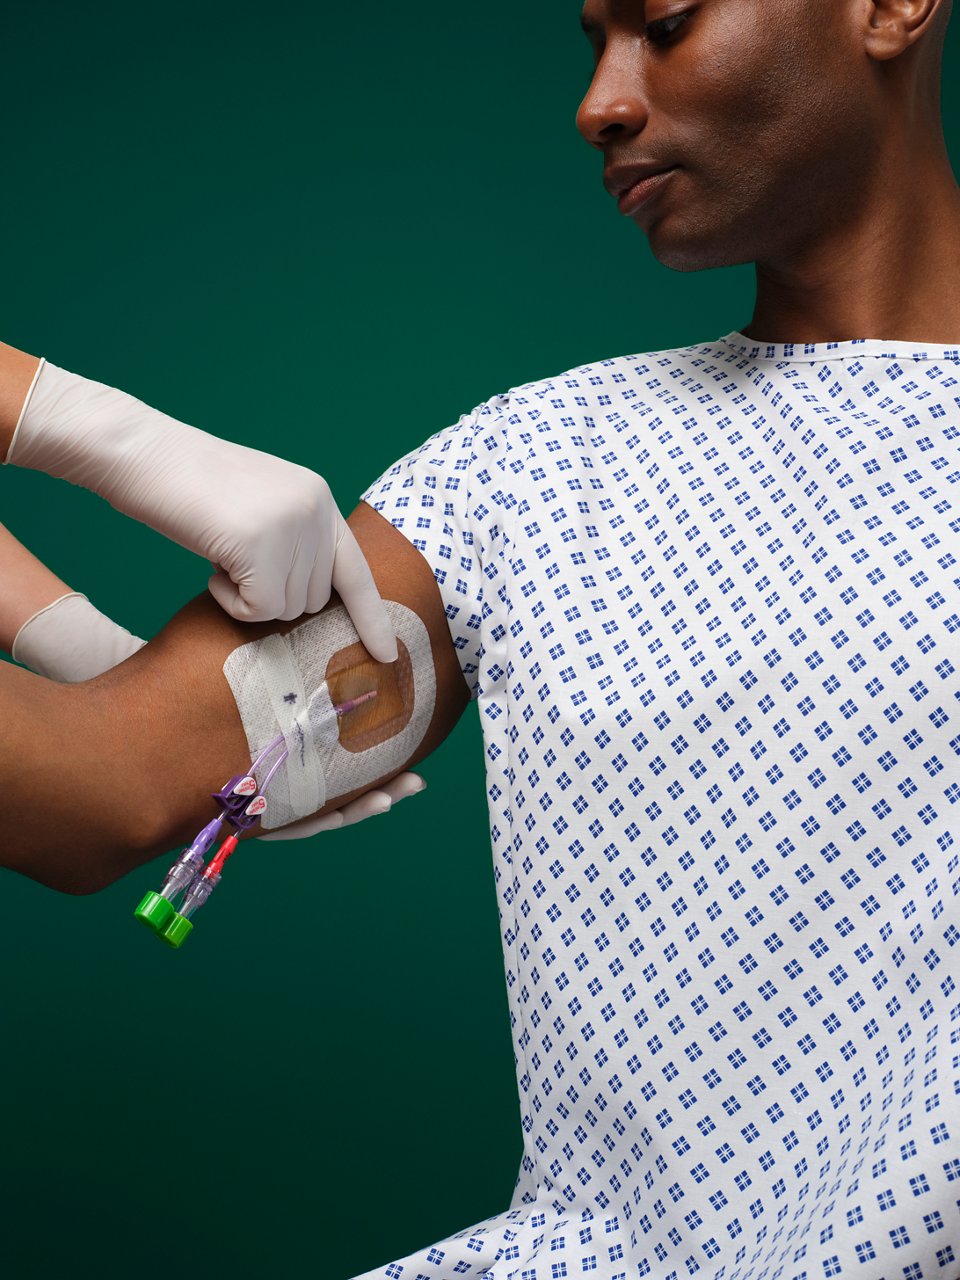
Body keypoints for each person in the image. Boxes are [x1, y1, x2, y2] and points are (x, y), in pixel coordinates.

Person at [3, 0, 960, 1276]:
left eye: (666, 23)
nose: (600, 102)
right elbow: (103, 783)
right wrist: (62, 423)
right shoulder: (535, 473)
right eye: (592, 40)